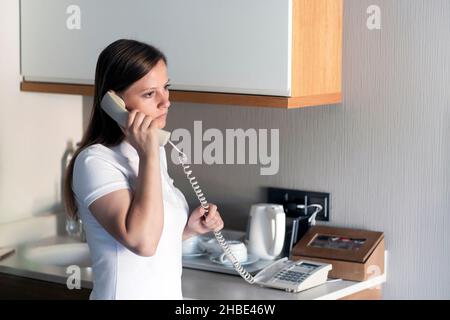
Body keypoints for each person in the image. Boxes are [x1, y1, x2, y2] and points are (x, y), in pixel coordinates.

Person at [63, 39, 224, 300]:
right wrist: (148, 152)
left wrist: (188, 230)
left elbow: (151, 238)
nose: (166, 102)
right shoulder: (95, 162)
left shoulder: (153, 152)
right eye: (150, 94)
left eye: (166, 88)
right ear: (113, 101)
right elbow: (143, 242)